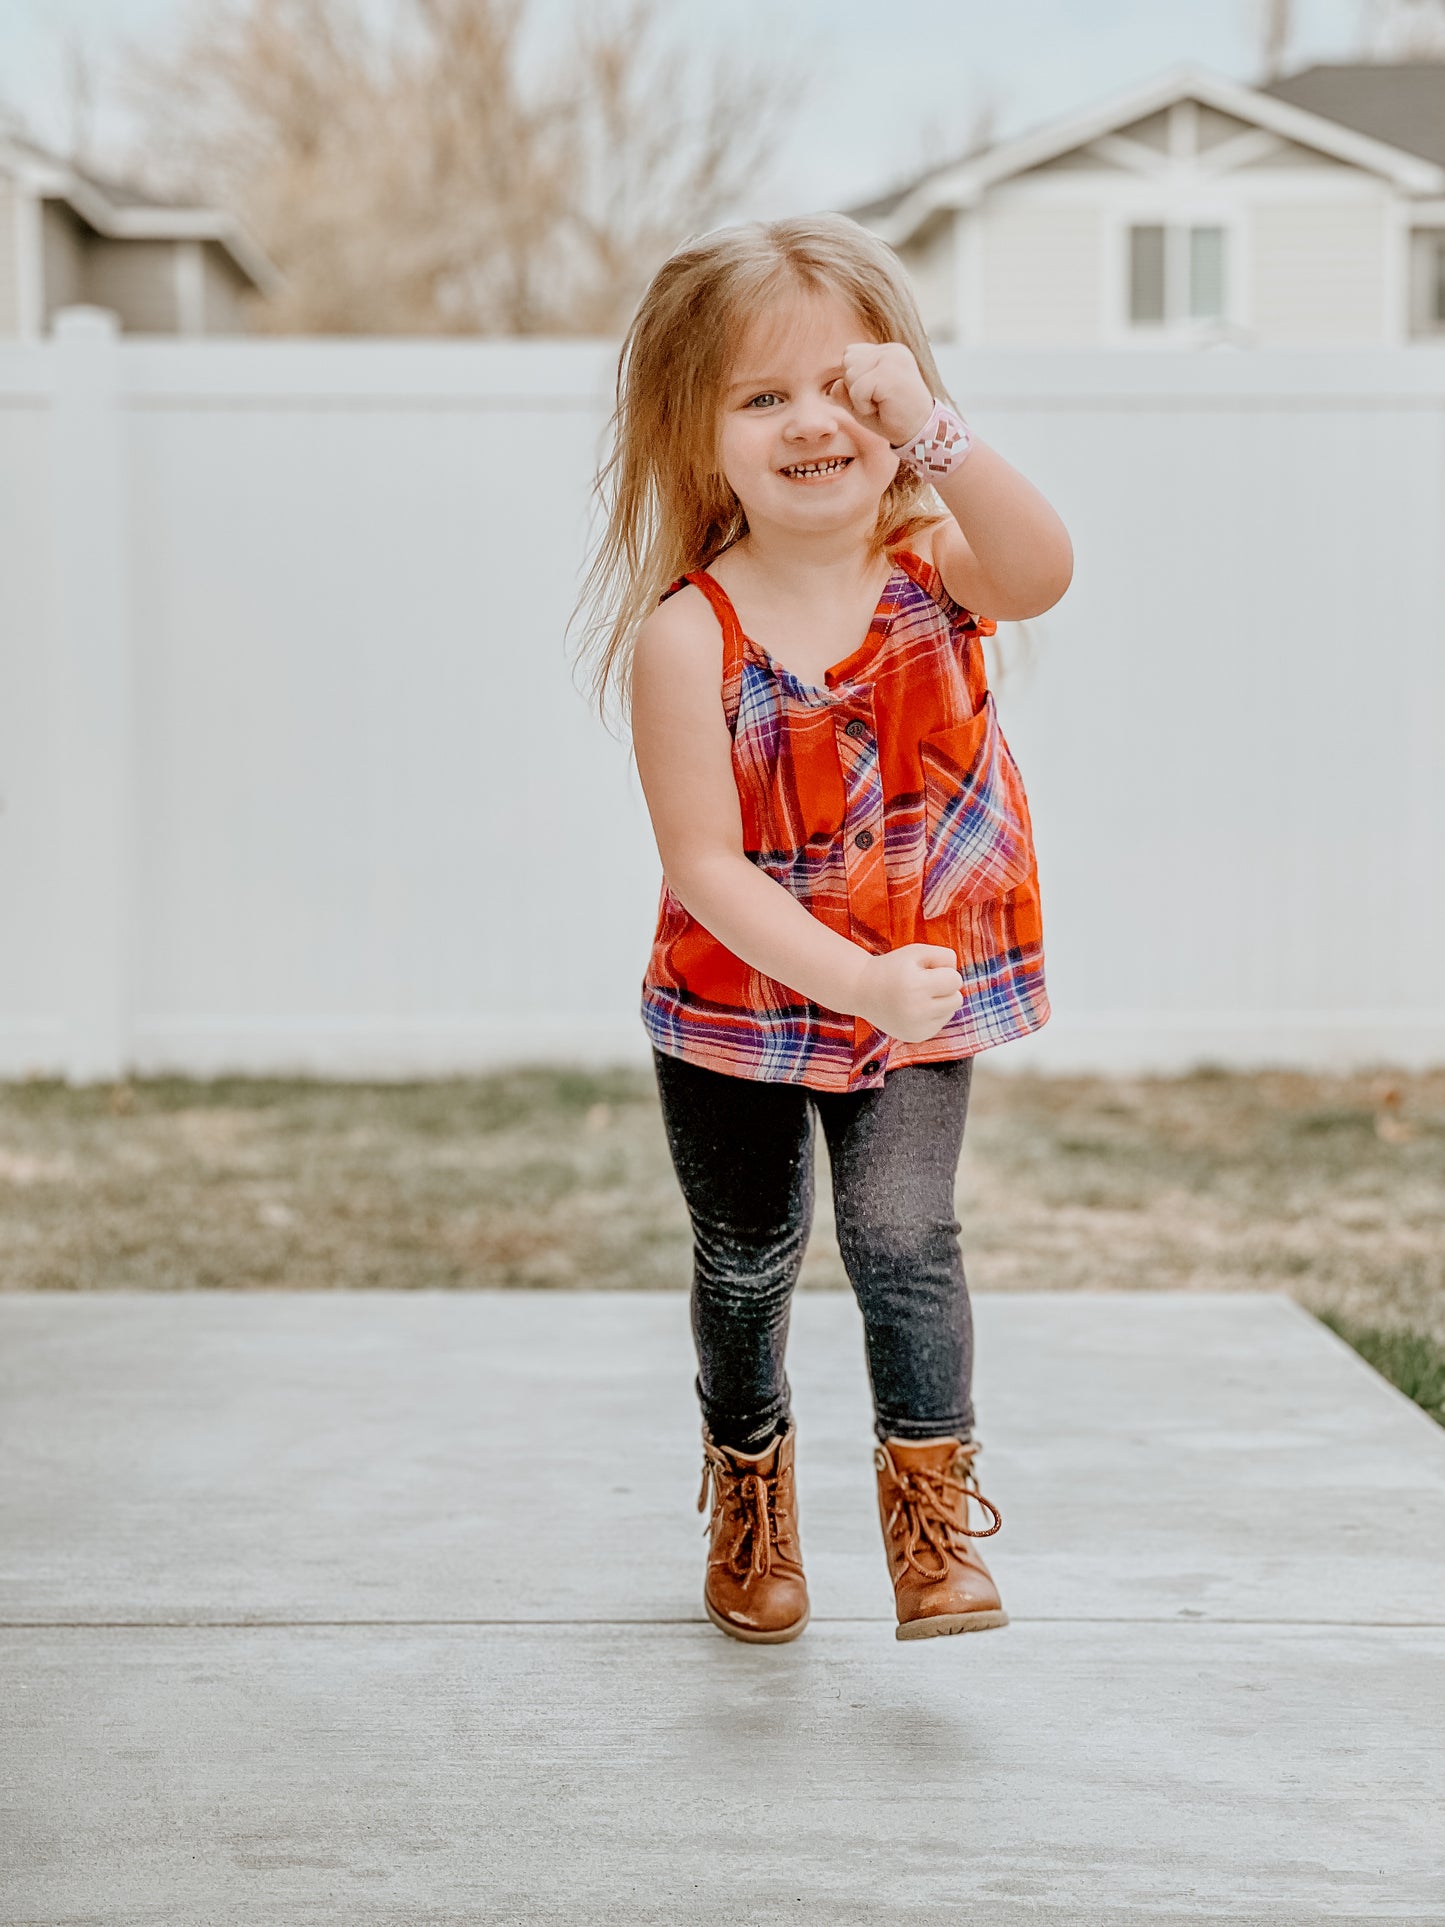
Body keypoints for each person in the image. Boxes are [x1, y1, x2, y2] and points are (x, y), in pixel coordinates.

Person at [571, 213, 1072, 1645]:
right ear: (697, 436)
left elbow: (1042, 571)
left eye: (845, 388)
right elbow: (705, 868)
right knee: (746, 1258)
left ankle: (928, 1521)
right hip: (739, 1007)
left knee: (905, 1235)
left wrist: (937, 431)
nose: (813, 422)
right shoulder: (688, 636)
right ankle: (749, 1493)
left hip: (918, 978)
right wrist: (851, 977)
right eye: (761, 395)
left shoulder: (935, 571)